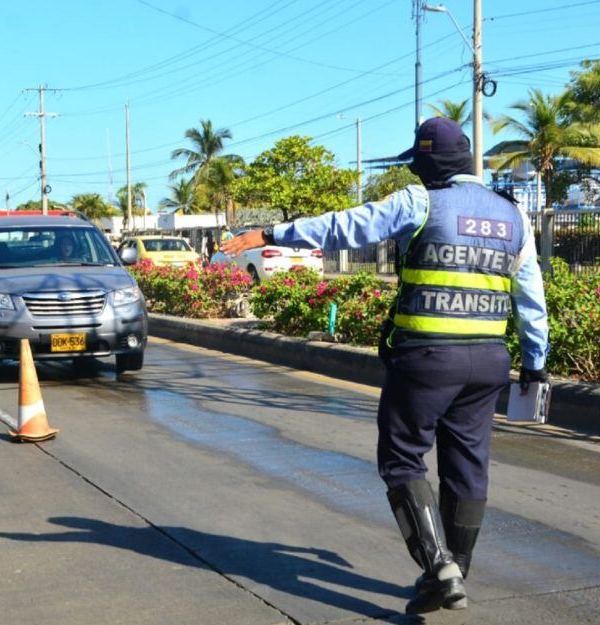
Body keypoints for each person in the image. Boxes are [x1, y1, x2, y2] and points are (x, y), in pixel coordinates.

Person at [221, 117, 549, 615]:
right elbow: (531, 297)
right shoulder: (513, 215)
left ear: (429, 165)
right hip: (488, 362)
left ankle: (440, 567)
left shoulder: (421, 202)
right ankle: (453, 571)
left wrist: (268, 233)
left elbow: (343, 227)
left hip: (427, 358)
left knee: (401, 458)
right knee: (467, 465)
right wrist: (536, 364)